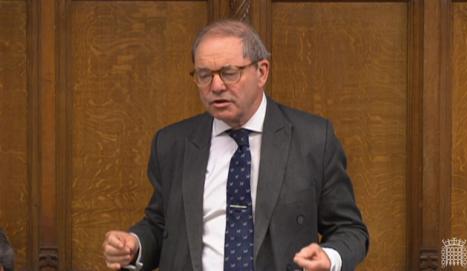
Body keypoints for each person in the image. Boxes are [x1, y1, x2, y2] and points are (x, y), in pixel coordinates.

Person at [103, 19, 368, 271]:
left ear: (261, 71)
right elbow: (161, 226)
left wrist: (329, 257)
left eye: (229, 73)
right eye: (204, 75)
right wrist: (135, 246)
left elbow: (350, 230)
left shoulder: (313, 138)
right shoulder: (172, 143)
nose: (216, 86)